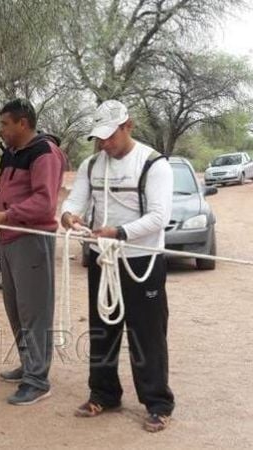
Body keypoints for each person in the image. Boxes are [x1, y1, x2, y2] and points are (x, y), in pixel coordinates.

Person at [60, 99, 175, 433]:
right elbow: (74, 201)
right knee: (103, 328)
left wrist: (120, 233)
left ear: (129, 126)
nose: (104, 143)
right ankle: (104, 393)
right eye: (100, 137)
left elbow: (158, 217)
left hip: (142, 260)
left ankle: (158, 402)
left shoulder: (153, 164)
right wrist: (69, 216)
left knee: (147, 334)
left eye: (111, 135)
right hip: (102, 259)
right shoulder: (91, 165)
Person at [0, 99, 66, 406]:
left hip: (32, 239)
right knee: (16, 309)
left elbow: (45, 203)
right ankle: (28, 365)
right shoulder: (10, 153)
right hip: (9, 238)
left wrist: (8, 214)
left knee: (35, 312)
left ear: (22, 123)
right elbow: (4, 193)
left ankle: (37, 380)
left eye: (5, 123)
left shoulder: (44, 153)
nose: (1, 129)